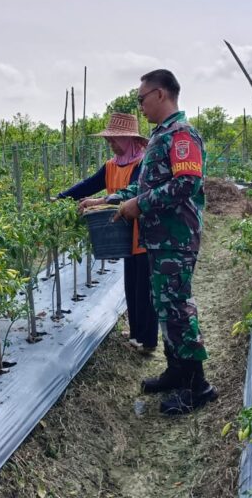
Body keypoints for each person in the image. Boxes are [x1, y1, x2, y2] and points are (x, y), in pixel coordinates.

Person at [81, 69, 215, 415]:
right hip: (158, 238)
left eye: (141, 99)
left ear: (160, 94)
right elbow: (145, 188)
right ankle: (176, 370)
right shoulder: (161, 135)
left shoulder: (182, 135)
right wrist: (108, 200)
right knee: (165, 306)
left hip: (176, 237)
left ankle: (197, 385)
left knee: (179, 308)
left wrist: (138, 205)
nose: (139, 105)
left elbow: (187, 184)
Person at [58, 112, 158, 353]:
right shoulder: (112, 166)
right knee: (131, 286)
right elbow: (88, 184)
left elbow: (132, 193)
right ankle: (136, 335)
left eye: (114, 140)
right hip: (124, 236)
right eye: (108, 140)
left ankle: (148, 341)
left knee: (144, 290)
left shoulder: (142, 164)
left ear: (129, 140)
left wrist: (99, 200)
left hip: (144, 235)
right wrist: (60, 198)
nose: (110, 144)